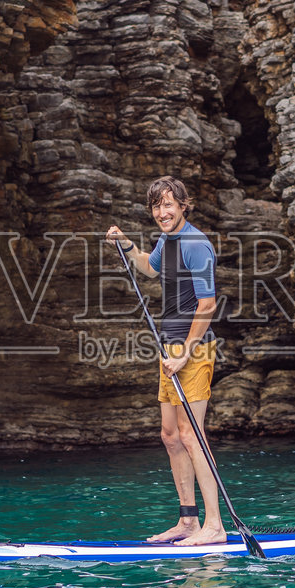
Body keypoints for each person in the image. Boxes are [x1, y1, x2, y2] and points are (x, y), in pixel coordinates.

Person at [106, 176, 224, 546]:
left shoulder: (195, 244)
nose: (162, 212)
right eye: (157, 207)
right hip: (169, 349)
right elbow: (148, 267)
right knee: (171, 436)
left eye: (168, 205)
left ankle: (215, 526)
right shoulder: (167, 241)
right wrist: (126, 244)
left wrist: (186, 352)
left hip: (194, 350)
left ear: (183, 205)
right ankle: (188, 521)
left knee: (193, 435)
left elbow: (207, 304)